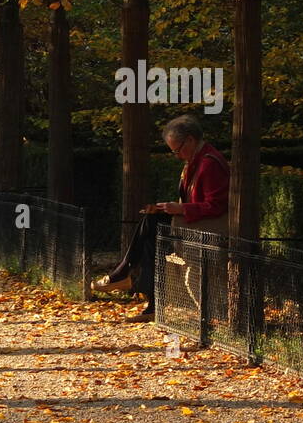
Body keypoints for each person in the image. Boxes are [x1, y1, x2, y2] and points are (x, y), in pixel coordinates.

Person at [92, 114, 230, 322]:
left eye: (178, 149)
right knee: (151, 234)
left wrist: (181, 209)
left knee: (151, 226)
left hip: (207, 229)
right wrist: (171, 208)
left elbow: (217, 206)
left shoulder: (208, 164)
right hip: (193, 224)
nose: (177, 155)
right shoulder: (195, 161)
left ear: (191, 140)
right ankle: (144, 295)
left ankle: (126, 274)